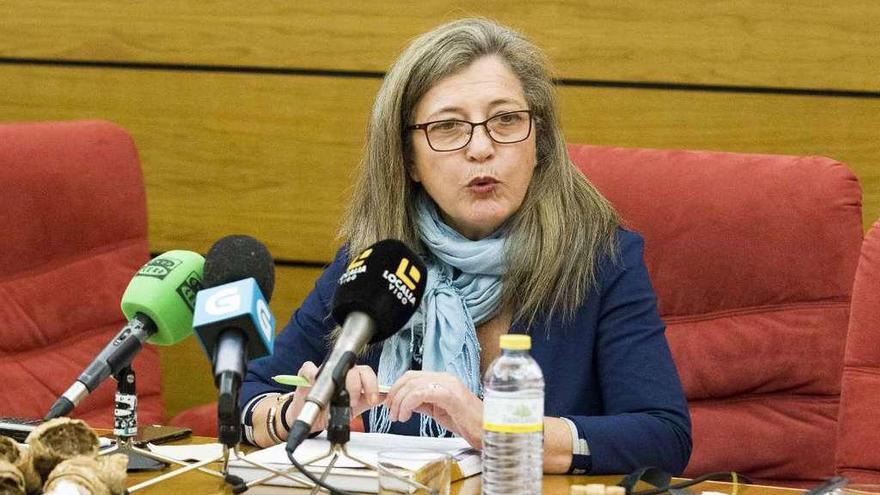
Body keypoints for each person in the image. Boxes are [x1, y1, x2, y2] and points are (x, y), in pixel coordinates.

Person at [240, 17, 691, 475]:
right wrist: (295, 412)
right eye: (449, 127)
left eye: (506, 119)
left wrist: (498, 429)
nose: (480, 148)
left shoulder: (599, 261)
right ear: (408, 159)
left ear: (540, 143)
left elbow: (662, 437)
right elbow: (250, 394)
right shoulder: (378, 261)